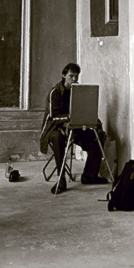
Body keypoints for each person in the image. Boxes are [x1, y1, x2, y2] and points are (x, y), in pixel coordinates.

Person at [40, 63, 108, 194]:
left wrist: (93, 121)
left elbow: (84, 111)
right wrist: (69, 120)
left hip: (73, 127)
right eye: (71, 76)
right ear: (63, 76)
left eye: (76, 76)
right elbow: (53, 117)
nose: (74, 79)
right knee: (58, 137)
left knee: (99, 136)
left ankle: (89, 176)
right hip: (53, 128)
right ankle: (61, 179)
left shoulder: (78, 92)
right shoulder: (55, 92)